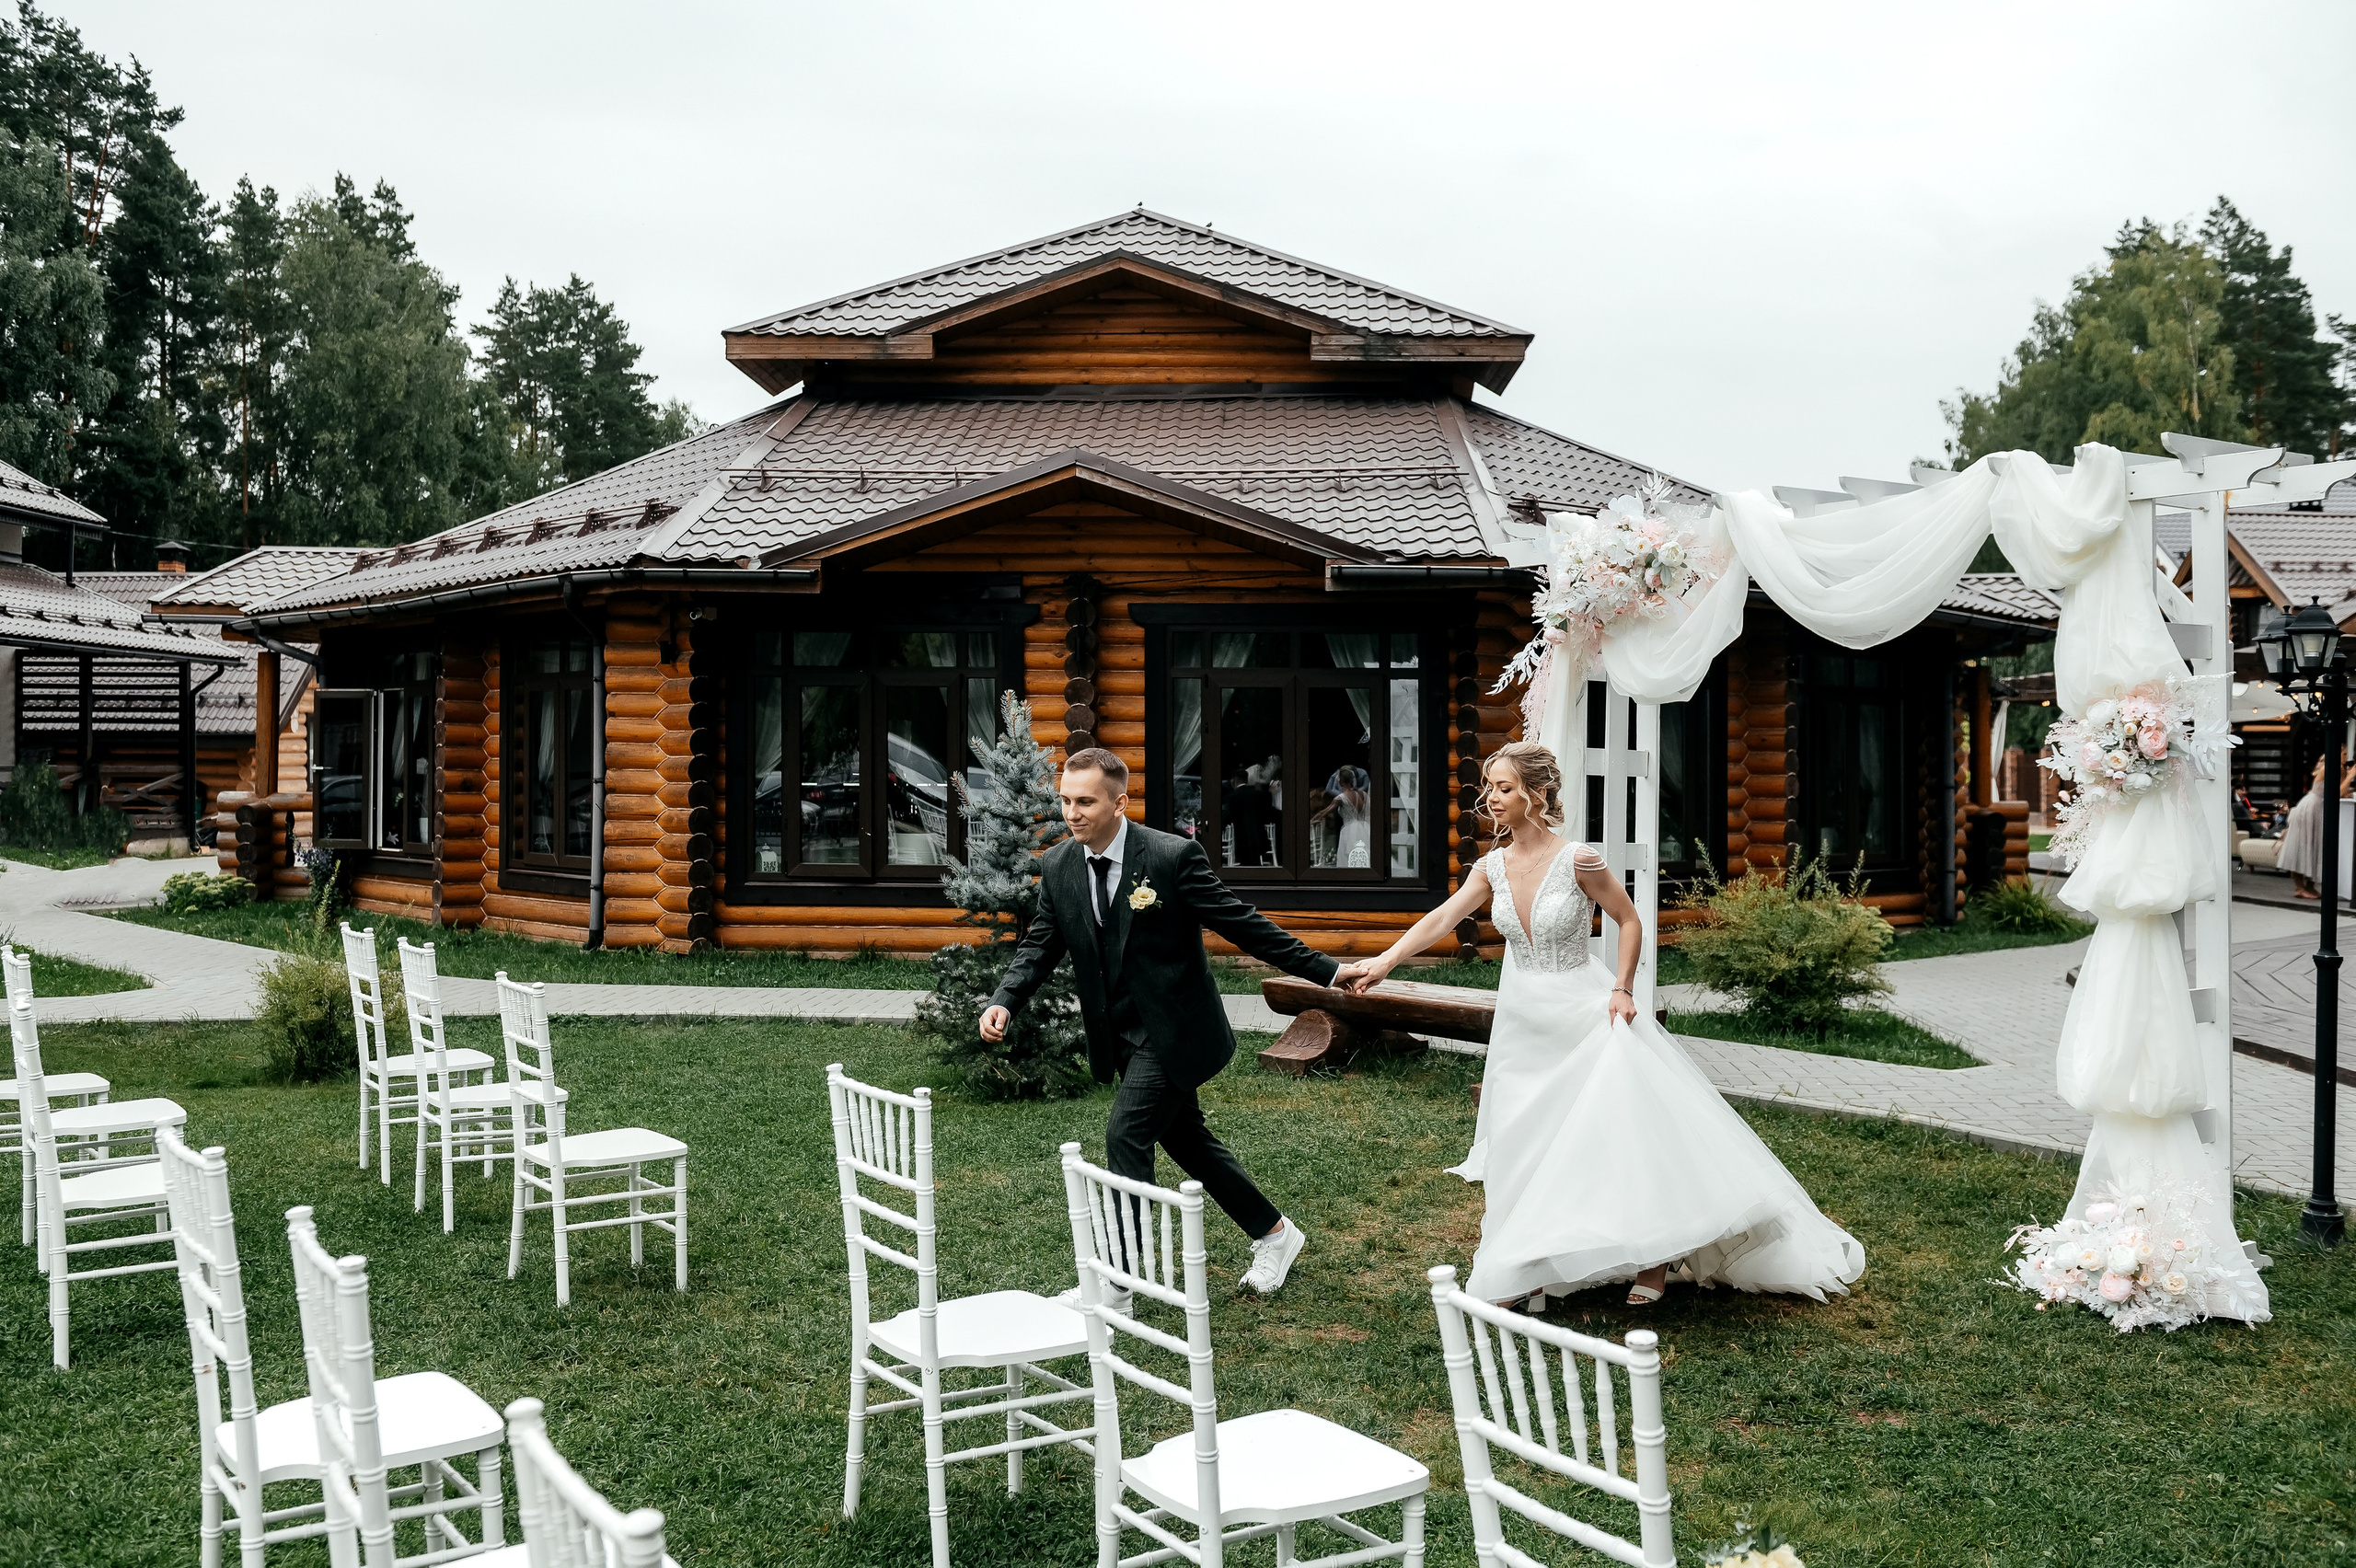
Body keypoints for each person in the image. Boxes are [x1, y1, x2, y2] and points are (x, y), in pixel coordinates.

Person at [1334, 741, 1865, 1310]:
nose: (1491, 798)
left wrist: (1622, 988)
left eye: (1504, 788)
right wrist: (1382, 962)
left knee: (1618, 1134)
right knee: (1524, 1139)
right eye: (1488, 787)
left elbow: (1629, 920)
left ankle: (1655, 1256)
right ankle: (1528, 1262)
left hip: (1585, 1010)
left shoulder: (1578, 859)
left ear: (1537, 795)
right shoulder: (1491, 867)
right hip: (1524, 1022)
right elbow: (1443, 916)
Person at [982, 747, 1339, 1302]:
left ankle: (1121, 1281)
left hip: (1176, 1030)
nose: (1072, 813)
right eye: (1066, 801)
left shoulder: (1171, 857)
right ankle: (1276, 1233)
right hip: (1118, 1031)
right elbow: (1042, 943)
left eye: (1085, 802)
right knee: (1188, 1142)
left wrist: (1329, 971)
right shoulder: (1058, 866)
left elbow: (1241, 922)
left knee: (1126, 1133)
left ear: (1120, 802)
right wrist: (1007, 998)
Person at [2276, 755, 2350, 899]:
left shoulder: (2339, 769)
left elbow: (2338, 791)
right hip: (2311, 809)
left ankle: (2309, 886)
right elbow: (2337, 792)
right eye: (2345, 753)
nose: (2347, 756)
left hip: (2317, 808)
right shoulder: (2330, 767)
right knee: (2302, 844)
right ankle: (2299, 887)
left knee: (2315, 846)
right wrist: (2351, 775)